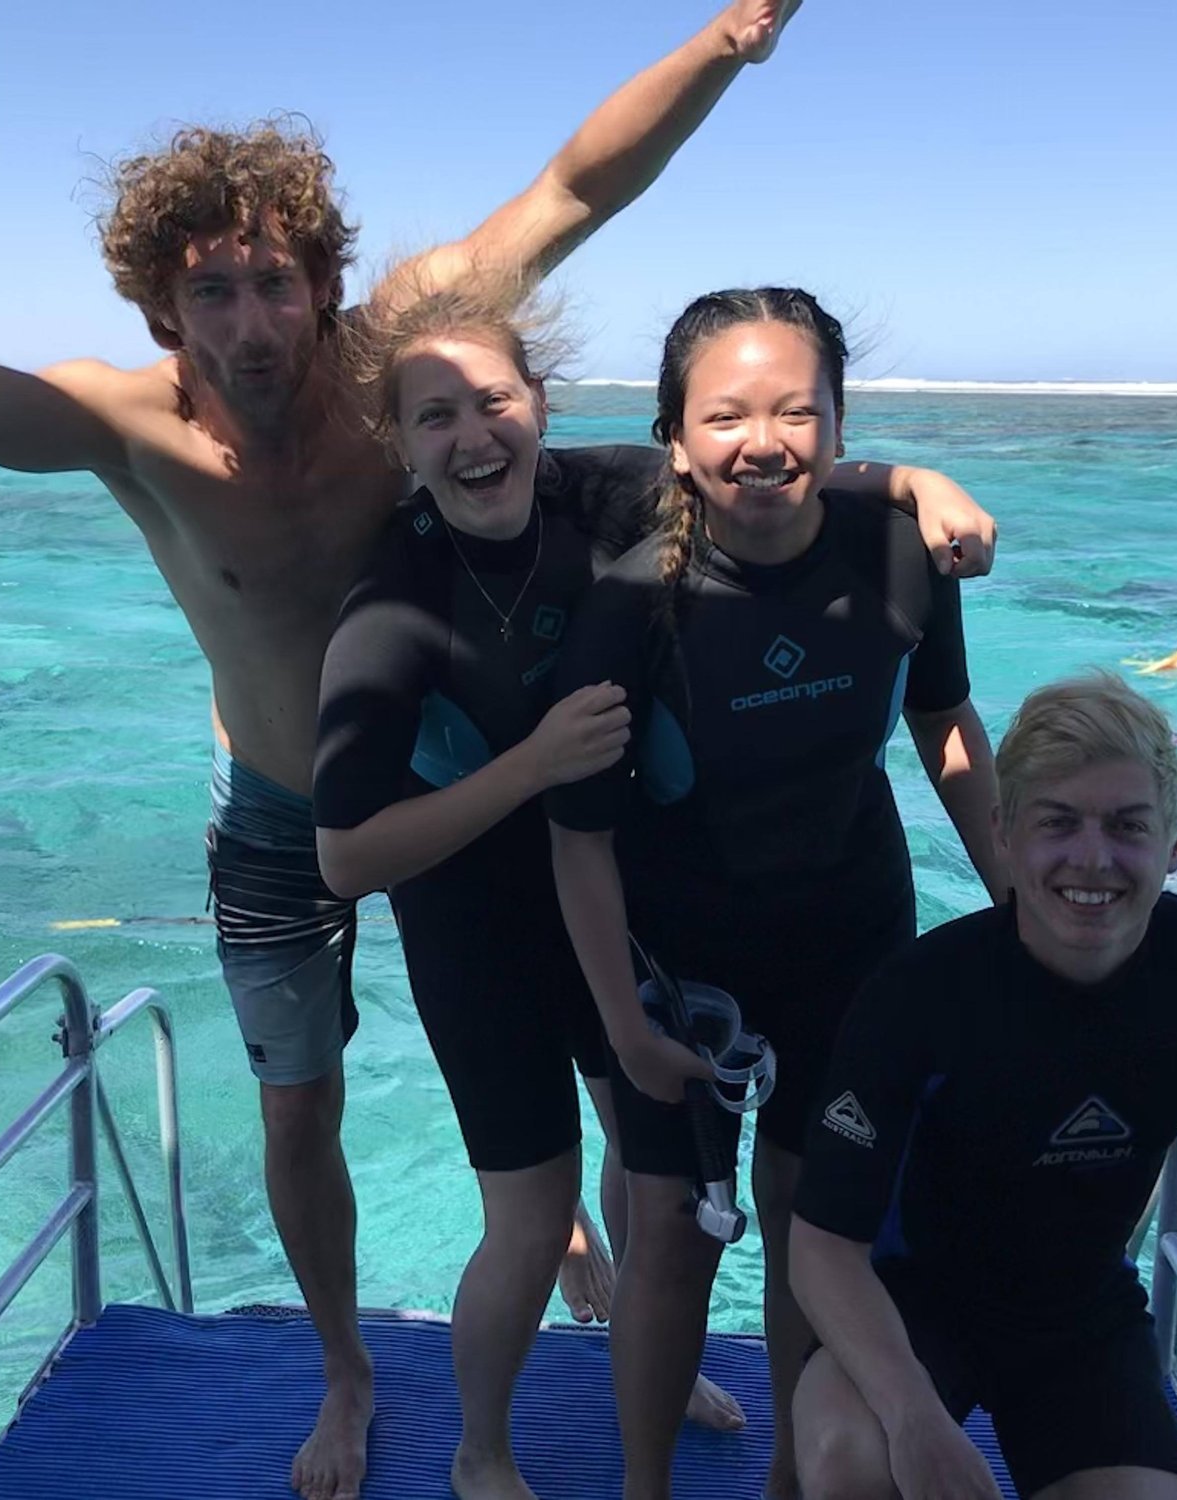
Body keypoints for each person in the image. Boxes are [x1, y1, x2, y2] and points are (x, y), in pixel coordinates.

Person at [0, 11, 1008, 1498]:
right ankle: (345, 1373)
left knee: (624, 1101)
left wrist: (729, 40)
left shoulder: (409, 359)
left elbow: (580, 195)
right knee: (300, 1104)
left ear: (323, 285)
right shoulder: (130, 423)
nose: (250, 324)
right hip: (281, 809)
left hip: (481, 803)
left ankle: (640, 1333)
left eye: (275, 283)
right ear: (162, 307)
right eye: (210, 291)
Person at [311, 276, 991, 1499]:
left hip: (742, 920)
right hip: (534, 923)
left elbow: (774, 474)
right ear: (398, 445)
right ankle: (495, 1452)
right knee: (572, 1220)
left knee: (749, 1209)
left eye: (494, 401)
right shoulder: (457, 602)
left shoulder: (637, 499)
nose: (472, 435)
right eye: (433, 417)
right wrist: (617, 1004)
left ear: (539, 404)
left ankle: (751, 1442)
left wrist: (913, 481)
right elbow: (368, 854)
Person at [545, 287, 1004, 1500]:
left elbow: (943, 723)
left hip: (850, 948)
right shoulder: (629, 605)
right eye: (725, 416)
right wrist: (623, 1028)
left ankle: (795, 1484)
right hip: (675, 972)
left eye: (796, 412)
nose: (763, 442)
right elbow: (578, 840)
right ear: (673, 439)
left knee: (814, 1232)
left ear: (840, 427)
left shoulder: (898, 553)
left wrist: (1015, 901)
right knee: (669, 1237)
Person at [787, 674, 1177, 1500]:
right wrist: (911, 1416)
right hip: (913, 1301)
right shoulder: (917, 998)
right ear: (1003, 835)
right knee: (853, 1458)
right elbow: (822, 1248)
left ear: (1176, 845)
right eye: (1058, 822)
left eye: (1127, 826)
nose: (1092, 859)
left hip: (1078, 1312)